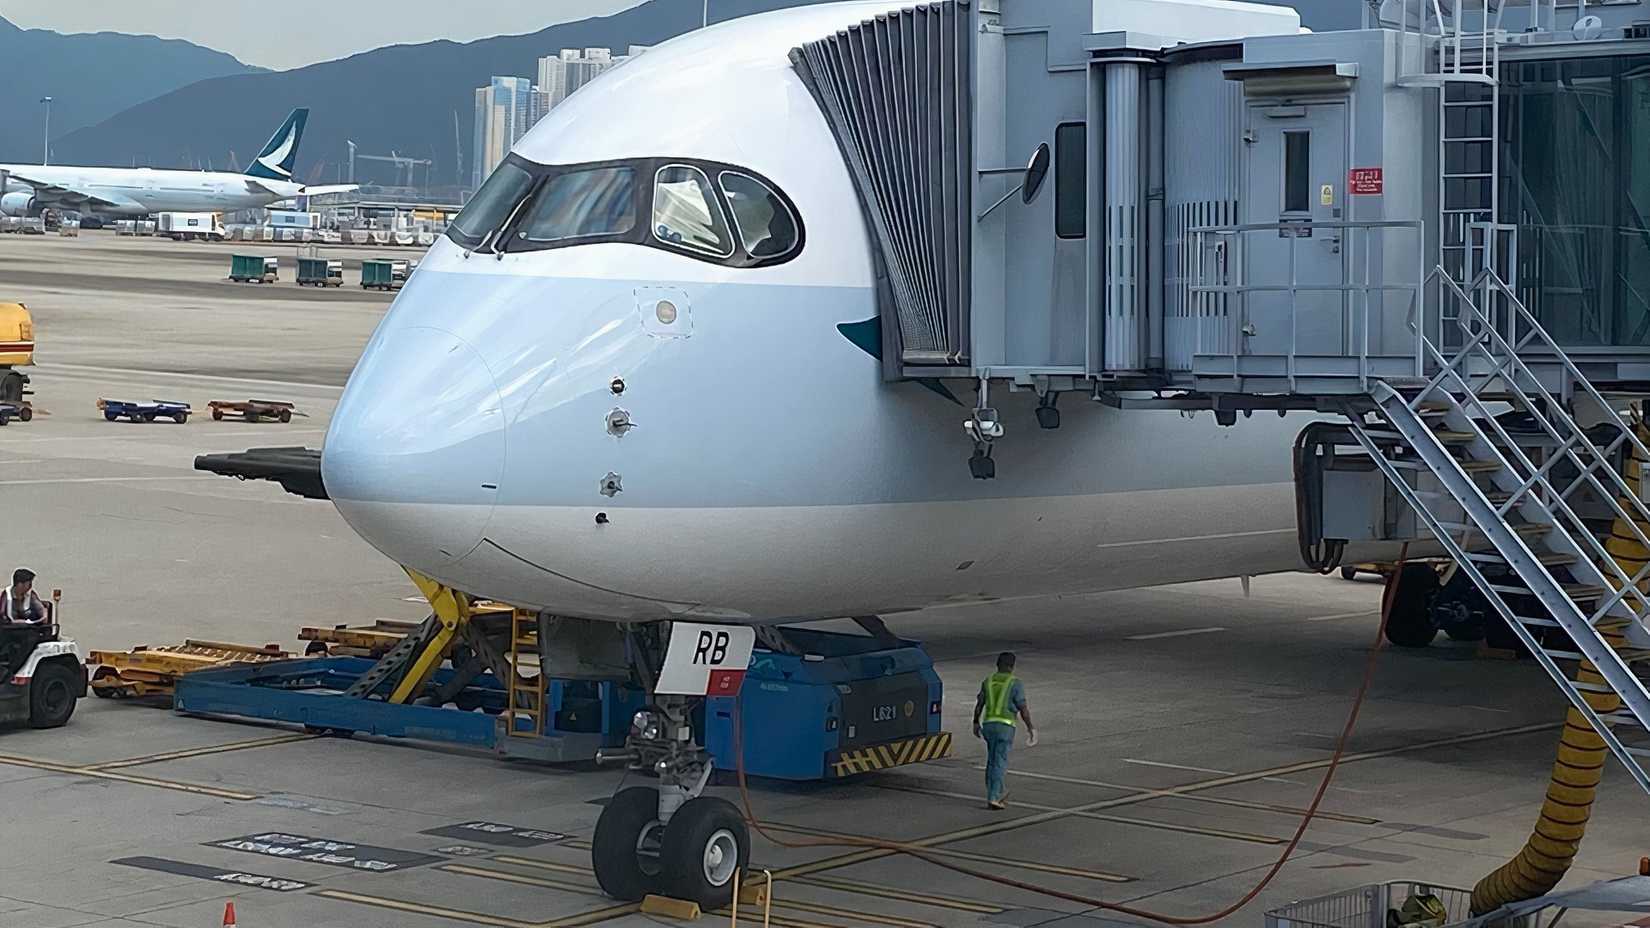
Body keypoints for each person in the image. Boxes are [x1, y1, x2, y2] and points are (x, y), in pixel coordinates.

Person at [973, 651, 1036, 811]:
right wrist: (1030, 727)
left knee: (992, 760)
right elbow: (1023, 708)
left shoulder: (988, 681)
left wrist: (975, 722)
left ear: (997, 665)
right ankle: (995, 797)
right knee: (1000, 761)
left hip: (988, 725)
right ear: (1012, 666)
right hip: (1005, 727)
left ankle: (994, 791)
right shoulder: (1015, 683)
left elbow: (979, 704)